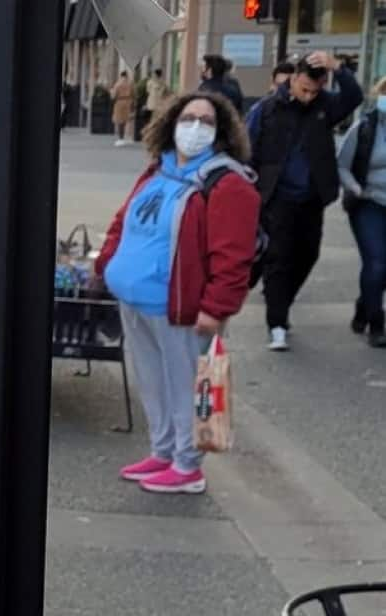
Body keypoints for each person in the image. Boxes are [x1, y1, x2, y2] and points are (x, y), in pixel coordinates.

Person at [94, 93, 260, 495]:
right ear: (171, 123)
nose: (195, 127)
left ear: (220, 133)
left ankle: (188, 466)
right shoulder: (158, 171)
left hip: (181, 308)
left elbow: (233, 257)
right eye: (188, 118)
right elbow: (124, 221)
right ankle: (163, 450)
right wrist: (106, 265)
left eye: (206, 121)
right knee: (153, 382)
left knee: (185, 386)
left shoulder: (228, 184)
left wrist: (217, 307)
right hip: (136, 301)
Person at [247, 52, 364, 350]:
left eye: (315, 90)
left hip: (312, 197)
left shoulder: (325, 106)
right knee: (279, 259)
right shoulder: (268, 109)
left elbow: (354, 96)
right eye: (304, 89)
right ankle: (276, 324)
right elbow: (249, 148)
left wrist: (337, 67)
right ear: (294, 79)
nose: (309, 96)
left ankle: (283, 301)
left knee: (307, 255)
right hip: (277, 197)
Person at [338, 76, 386, 347]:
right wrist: (355, 188)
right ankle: (377, 323)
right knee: (377, 262)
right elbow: (342, 164)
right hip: (369, 203)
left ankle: (363, 305)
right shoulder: (365, 128)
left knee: (381, 269)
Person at [111, 71, 134, 146]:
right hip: (128, 101)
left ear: (121, 76)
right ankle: (129, 137)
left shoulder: (118, 84)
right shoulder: (130, 83)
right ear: (127, 76)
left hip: (120, 102)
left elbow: (114, 95)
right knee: (128, 120)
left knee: (120, 120)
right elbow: (134, 93)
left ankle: (121, 138)